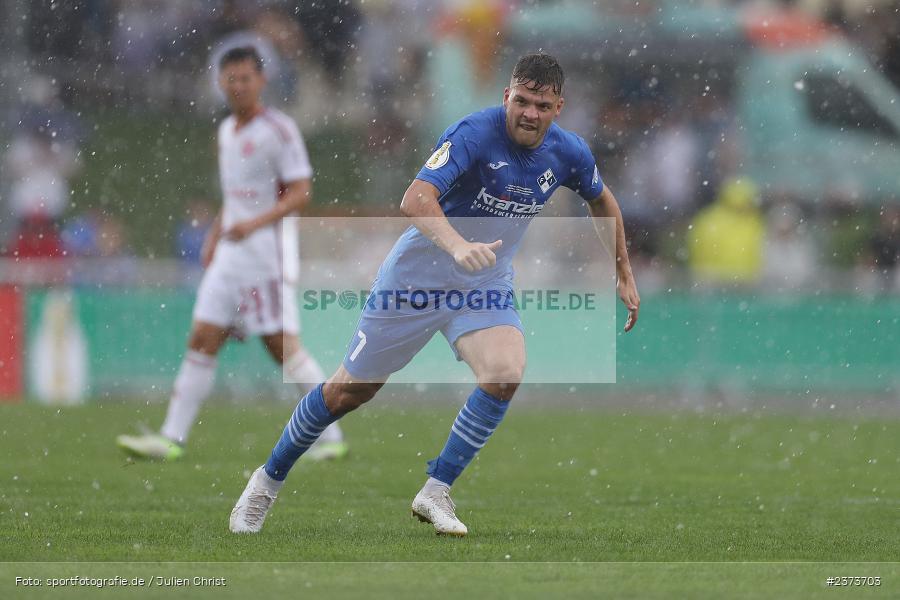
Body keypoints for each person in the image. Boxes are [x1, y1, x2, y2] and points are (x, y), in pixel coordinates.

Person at [229, 53, 639, 536]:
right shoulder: (474, 133)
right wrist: (458, 244)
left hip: (483, 282)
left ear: (558, 108)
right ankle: (265, 483)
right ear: (506, 96)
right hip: (416, 279)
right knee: (347, 392)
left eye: (542, 105)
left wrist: (622, 270)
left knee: (505, 372)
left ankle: (436, 490)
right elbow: (415, 198)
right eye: (522, 101)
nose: (529, 113)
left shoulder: (567, 152)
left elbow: (601, 198)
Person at [117, 47, 346, 462]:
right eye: (231, 78)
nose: (238, 86)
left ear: (261, 81)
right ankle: (172, 438)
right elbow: (236, 197)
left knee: (281, 348)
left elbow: (300, 193)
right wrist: (215, 234)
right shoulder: (226, 132)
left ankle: (331, 438)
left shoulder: (279, 130)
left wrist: (254, 224)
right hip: (230, 253)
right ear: (221, 83)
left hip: (265, 254)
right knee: (203, 338)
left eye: (246, 78)